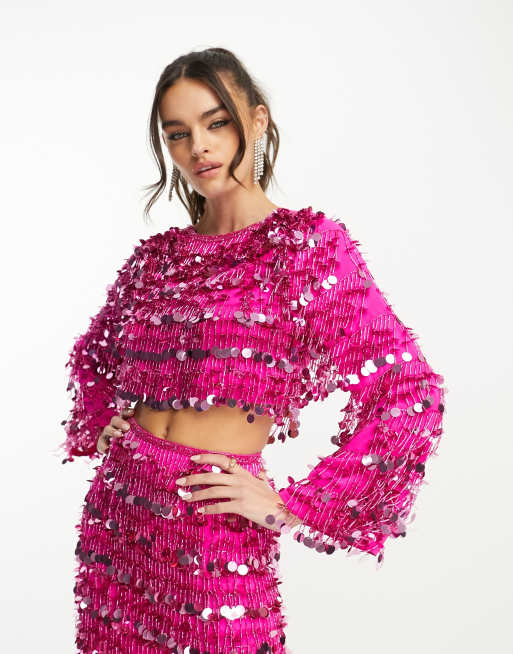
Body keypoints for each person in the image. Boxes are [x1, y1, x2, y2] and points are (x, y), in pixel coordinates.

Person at [59, 47, 447, 654]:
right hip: (121, 519)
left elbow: (408, 389)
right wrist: (102, 416)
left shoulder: (305, 248)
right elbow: (93, 355)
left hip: (214, 530)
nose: (198, 148)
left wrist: (291, 506)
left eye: (216, 123)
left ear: (257, 121)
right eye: (178, 133)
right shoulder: (155, 260)